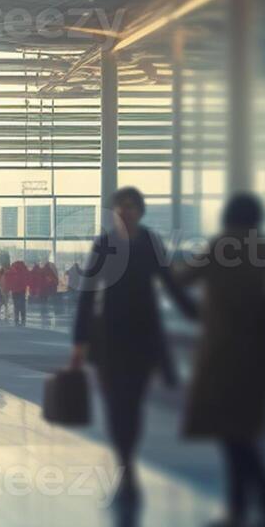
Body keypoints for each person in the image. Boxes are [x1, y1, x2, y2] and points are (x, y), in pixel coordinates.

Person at [173, 193, 265, 527]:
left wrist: (163, 266)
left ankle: (253, 508)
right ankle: (261, 506)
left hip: (225, 351)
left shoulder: (220, 247)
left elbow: (182, 279)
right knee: (242, 430)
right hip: (263, 353)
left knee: (231, 432)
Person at [71, 186, 196, 505]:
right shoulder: (105, 244)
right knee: (116, 403)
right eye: (120, 207)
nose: (125, 212)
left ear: (139, 211)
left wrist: (197, 315)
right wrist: (80, 342)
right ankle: (125, 464)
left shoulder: (150, 243)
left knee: (134, 402)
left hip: (142, 335)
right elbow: (88, 294)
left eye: (131, 207)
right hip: (110, 336)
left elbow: (169, 282)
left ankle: (127, 460)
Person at [4, 259, 30, 326]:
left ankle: (16, 320)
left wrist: (8, 288)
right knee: (22, 305)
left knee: (16, 306)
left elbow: (7, 279)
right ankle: (23, 320)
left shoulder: (12, 270)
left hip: (14, 290)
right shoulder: (24, 269)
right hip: (22, 290)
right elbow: (28, 278)